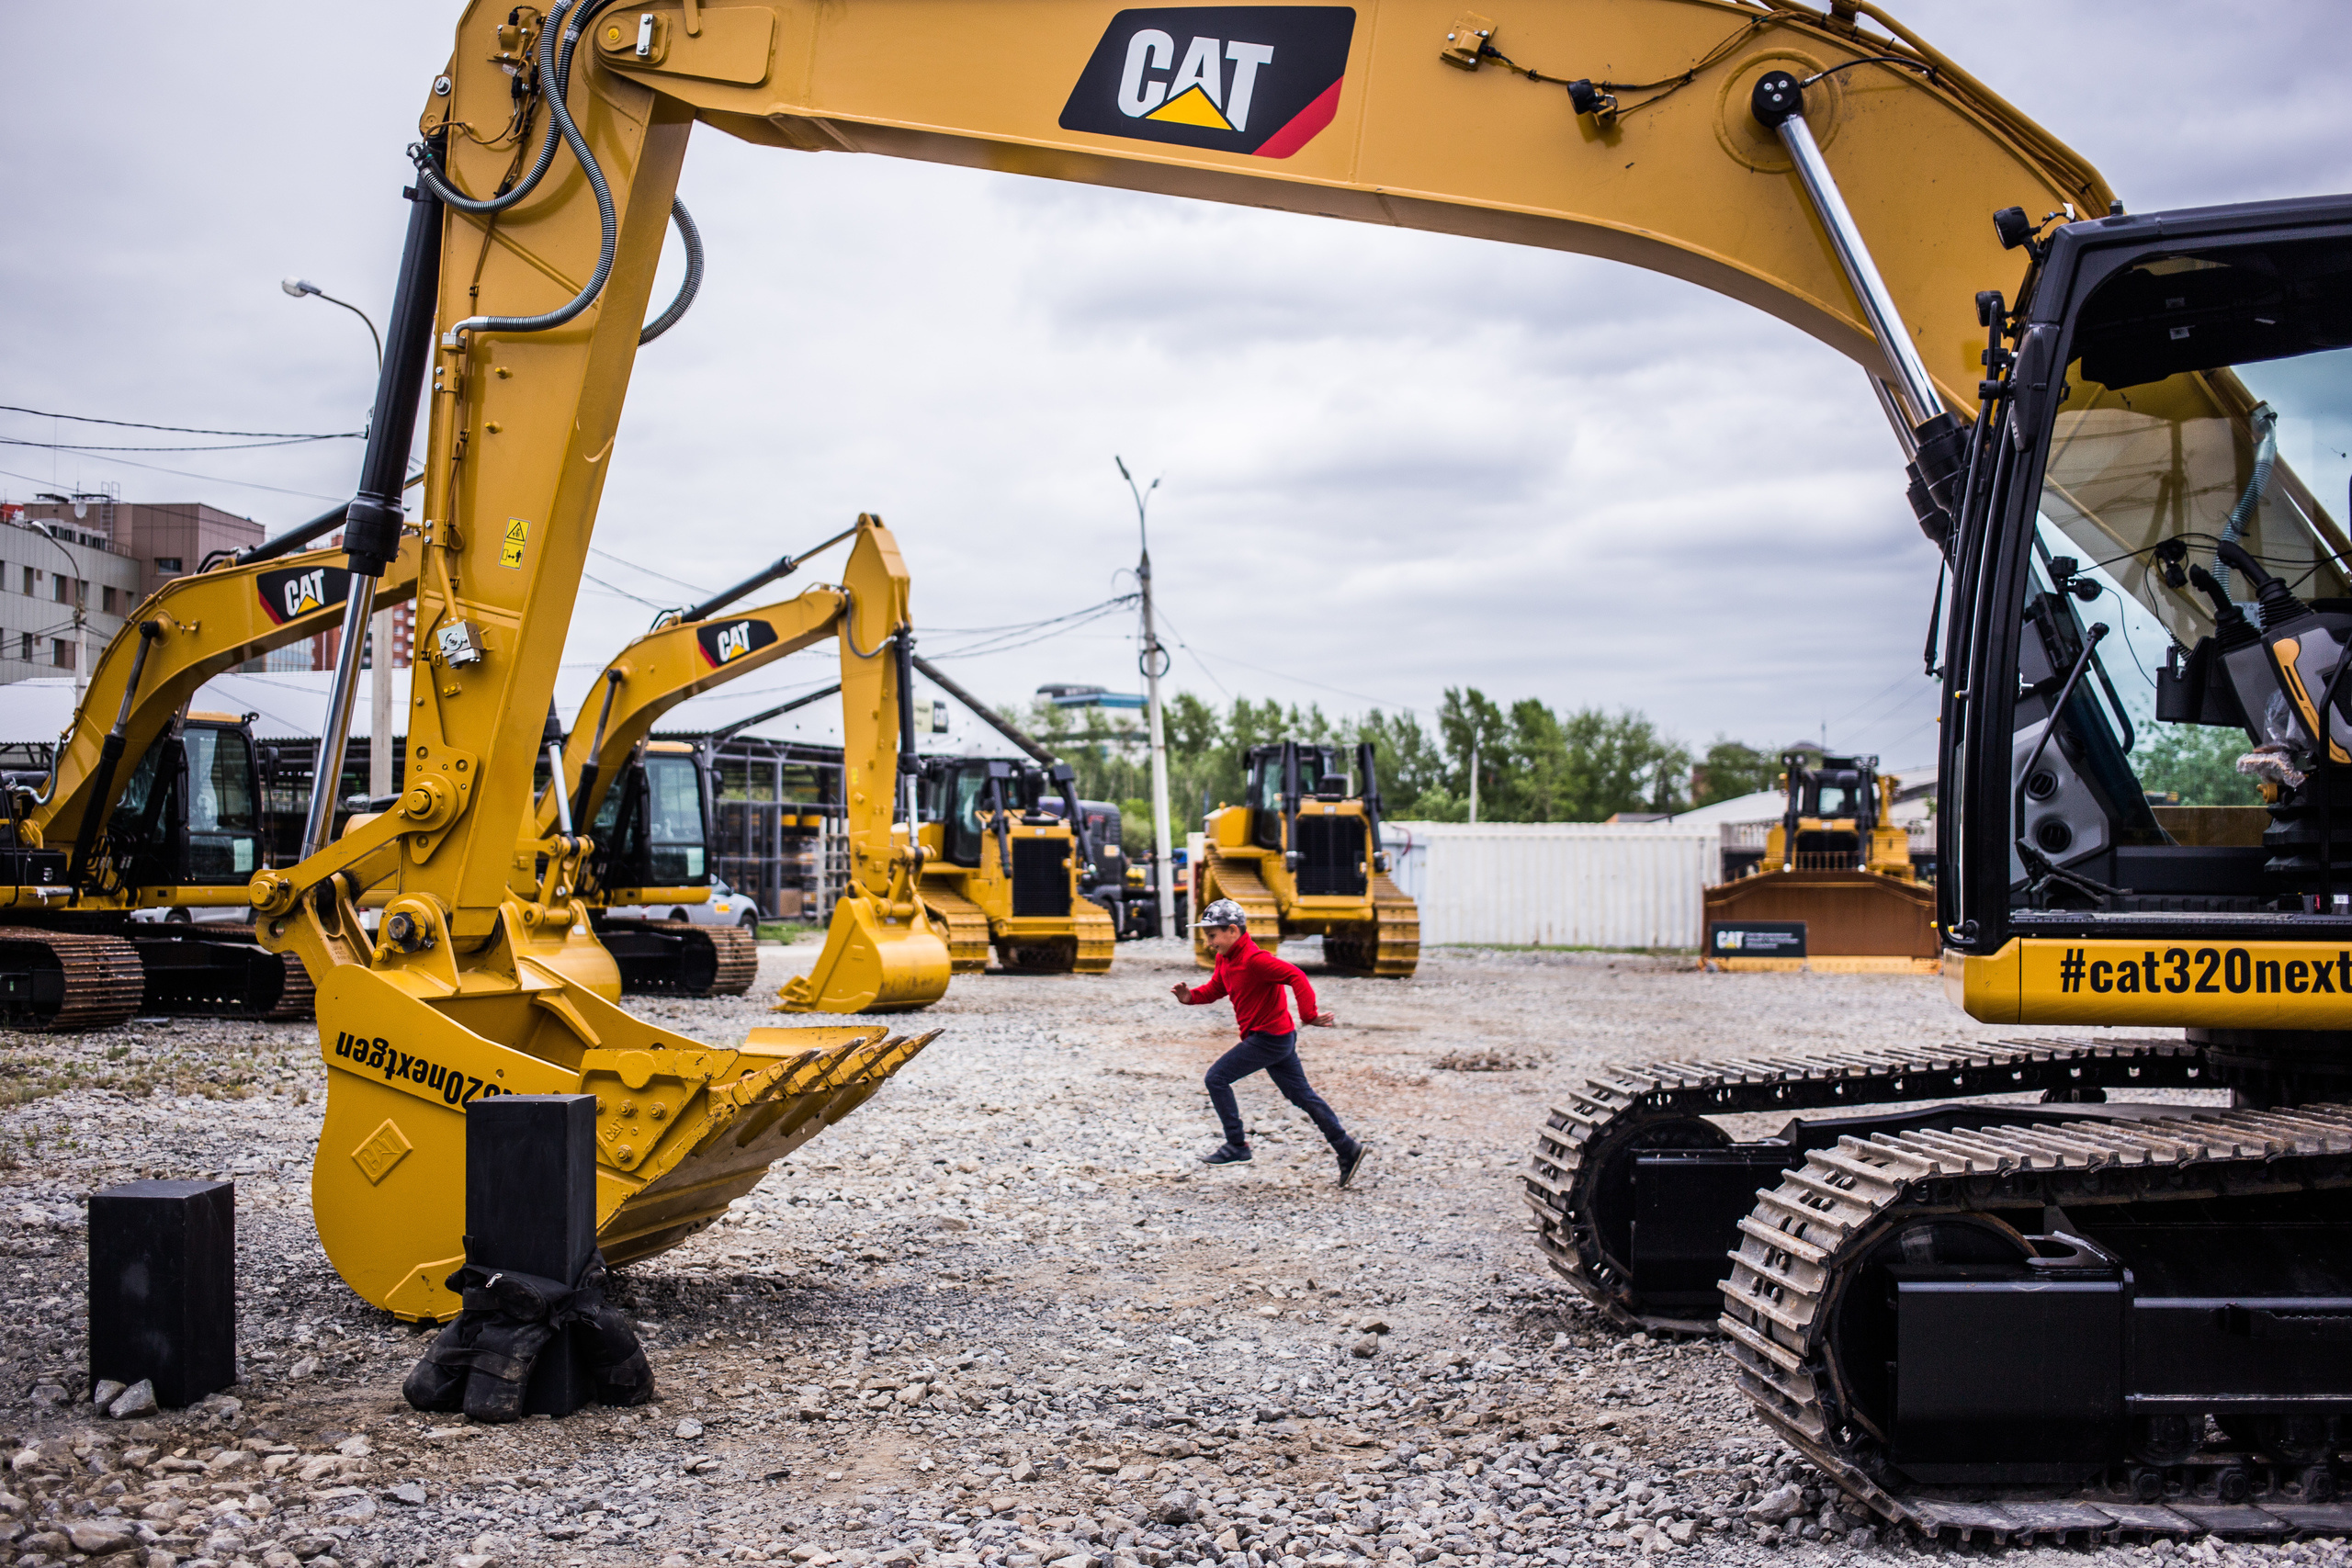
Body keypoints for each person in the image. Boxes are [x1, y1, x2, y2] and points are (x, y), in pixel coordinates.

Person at [1170, 898, 1370, 1187]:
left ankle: (1237, 1145)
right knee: (1302, 1097)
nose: (1209, 942)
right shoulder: (1226, 958)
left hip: (1270, 1038)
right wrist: (1190, 997)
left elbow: (1296, 975)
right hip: (1276, 1038)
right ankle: (1347, 1149)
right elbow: (1217, 988)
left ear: (1233, 931)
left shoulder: (1255, 959)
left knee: (1216, 1078)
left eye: (1212, 935)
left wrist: (1309, 1015)